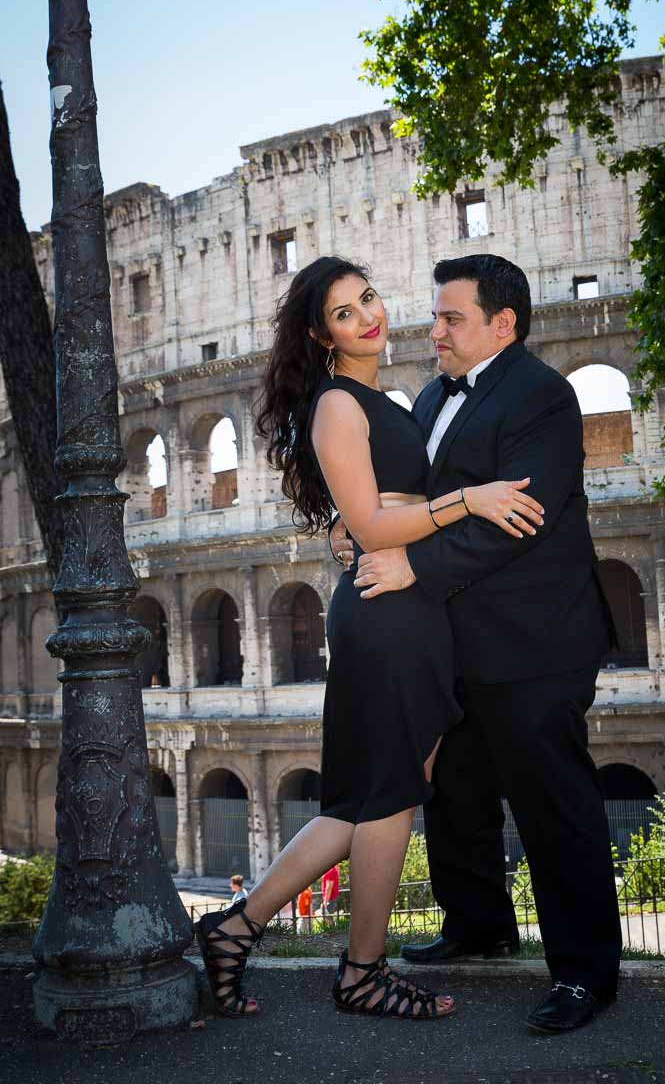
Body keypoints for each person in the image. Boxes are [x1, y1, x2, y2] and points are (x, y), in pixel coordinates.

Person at [192, 255, 544, 1022]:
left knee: (372, 795)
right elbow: (375, 521)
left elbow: (367, 519)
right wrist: (469, 501)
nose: (368, 316)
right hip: (387, 613)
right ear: (322, 334)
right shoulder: (336, 405)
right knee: (388, 795)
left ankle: (237, 927)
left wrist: (367, 531)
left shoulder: (378, 397)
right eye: (346, 312)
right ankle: (359, 969)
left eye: (370, 297)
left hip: (399, 602)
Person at [332, 254, 622, 1035]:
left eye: (452, 318)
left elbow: (517, 523)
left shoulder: (543, 396)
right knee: (453, 793)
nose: (436, 331)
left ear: (504, 324)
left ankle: (585, 973)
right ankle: (478, 923)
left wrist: (408, 566)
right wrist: (357, 526)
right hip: (449, 637)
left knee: (552, 804)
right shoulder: (429, 395)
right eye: (436, 315)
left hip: (535, 638)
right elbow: (414, 499)